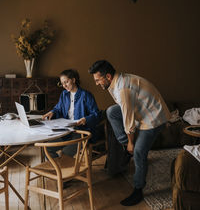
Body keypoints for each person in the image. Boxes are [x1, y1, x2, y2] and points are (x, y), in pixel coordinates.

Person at [88, 60, 171, 206]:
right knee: (111, 112)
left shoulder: (122, 88)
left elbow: (128, 120)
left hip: (154, 117)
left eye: (97, 80)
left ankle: (138, 190)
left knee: (138, 152)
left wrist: (132, 143)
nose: (96, 83)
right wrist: (127, 142)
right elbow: (123, 109)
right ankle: (125, 146)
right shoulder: (114, 81)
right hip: (142, 110)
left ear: (108, 76)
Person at [43, 69, 100, 158]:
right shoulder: (64, 94)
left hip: (81, 132)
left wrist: (85, 119)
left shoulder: (86, 95)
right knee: (47, 148)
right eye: (62, 83)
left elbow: (96, 114)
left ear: (73, 80)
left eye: (66, 82)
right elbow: (58, 108)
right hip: (66, 130)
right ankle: (59, 170)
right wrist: (52, 112)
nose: (64, 85)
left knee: (65, 153)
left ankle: (62, 169)